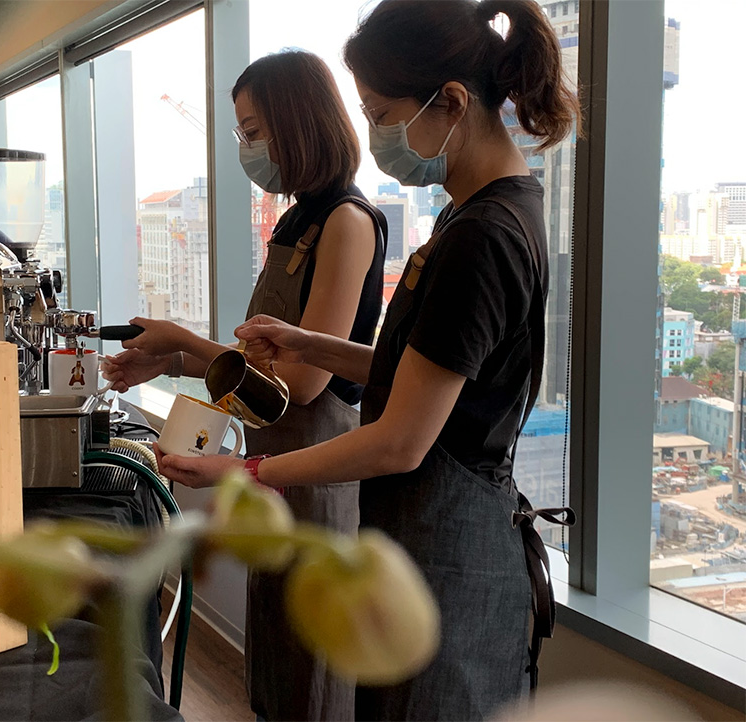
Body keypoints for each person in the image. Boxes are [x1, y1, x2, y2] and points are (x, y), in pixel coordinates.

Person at [155, 1, 580, 719]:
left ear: (449, 102)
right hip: (422, 539)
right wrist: (310, 343)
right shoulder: (470, 215)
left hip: (454, 552)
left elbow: (401, 438)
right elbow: (420, 368)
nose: (377, 135)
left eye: (383, 113)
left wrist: (247, 471)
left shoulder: (486, 234)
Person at [103, 50, 387, 721]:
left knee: (308, 659)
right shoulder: (296, 222)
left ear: (299, 123)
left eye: (256, 131)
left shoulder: (347, 220)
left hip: (315, 460)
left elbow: (303, 381)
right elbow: (256, 362)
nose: (248, 148)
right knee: (277, 651)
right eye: (243, 133)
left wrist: (180, 338)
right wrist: (170, 361)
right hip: (269, 455)